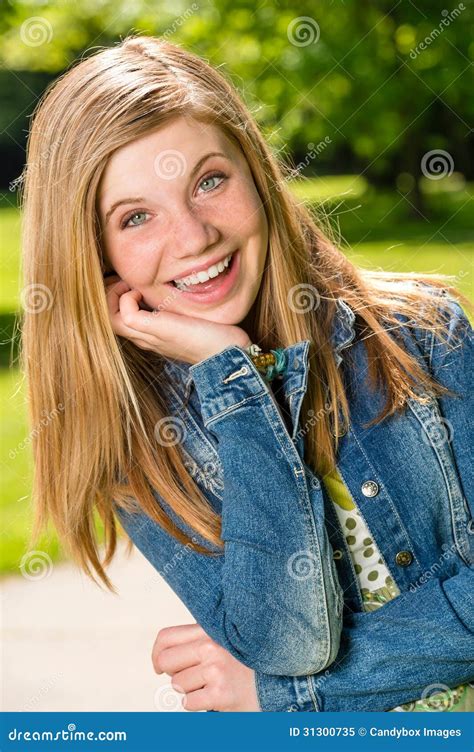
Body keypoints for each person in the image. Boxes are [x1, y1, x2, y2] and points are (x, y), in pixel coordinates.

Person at [20, 35, 473, 712]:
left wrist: (288, 696)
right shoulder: (138, 447)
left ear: (257, 175)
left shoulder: (425, 335)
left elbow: (283, 676)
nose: (194, 237)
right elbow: (289, 643)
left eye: (209, 181)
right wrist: (232, 375)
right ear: (96, 255)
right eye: (137, 217)